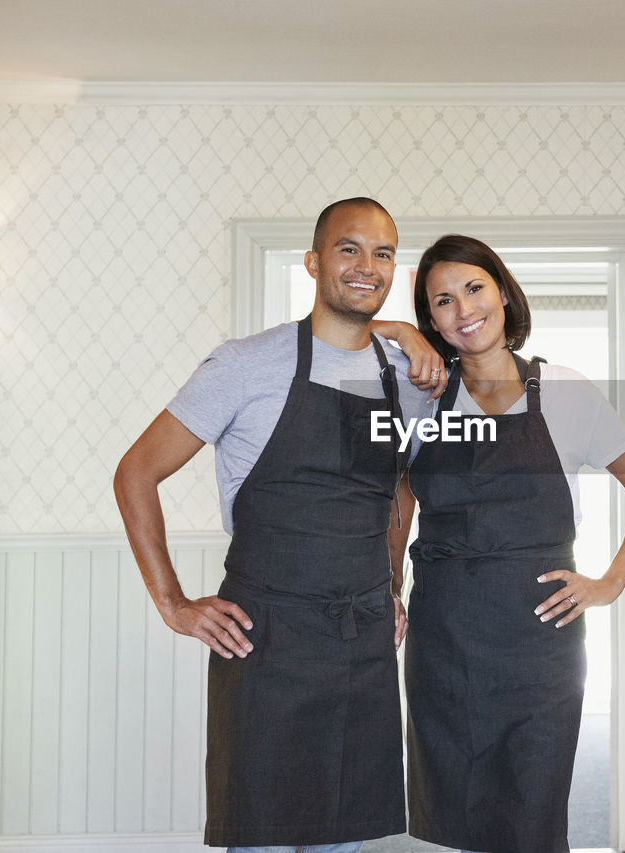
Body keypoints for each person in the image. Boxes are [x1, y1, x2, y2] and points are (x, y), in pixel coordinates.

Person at [113, 197, 445, 852]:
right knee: (260, 837)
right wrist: (173, 603)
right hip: (266, 643)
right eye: (349, 248)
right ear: (314, 262)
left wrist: (392, 583)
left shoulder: (406, 379)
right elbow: (136, 472)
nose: (366, 265)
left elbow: (398, 484)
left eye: (383, 253)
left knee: (341, 843)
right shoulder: (245, 365)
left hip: (361, 642)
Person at [397, 234, 625, 853]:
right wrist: (391, 588)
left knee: (531, 816)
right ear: (430, 320)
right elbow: (401, 500)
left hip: (539, 641)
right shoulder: (418, 396)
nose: (464, 309)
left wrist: (607, 584)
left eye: (474, 288)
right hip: (444, 634)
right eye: (442, 301)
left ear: (502, 292)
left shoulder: (567, 392)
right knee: (460, 816)